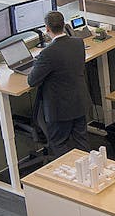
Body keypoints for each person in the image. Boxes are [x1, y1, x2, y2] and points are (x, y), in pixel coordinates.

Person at [26, 10, 90, 158]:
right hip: (79, 101)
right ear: (64, 25)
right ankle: (89, 172)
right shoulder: (78, 43)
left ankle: (67, 172)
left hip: (60, 108)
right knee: (81, 141)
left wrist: (37, 65)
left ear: (47, 29)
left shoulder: (48, 53)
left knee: (58, 143)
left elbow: (32, 81)